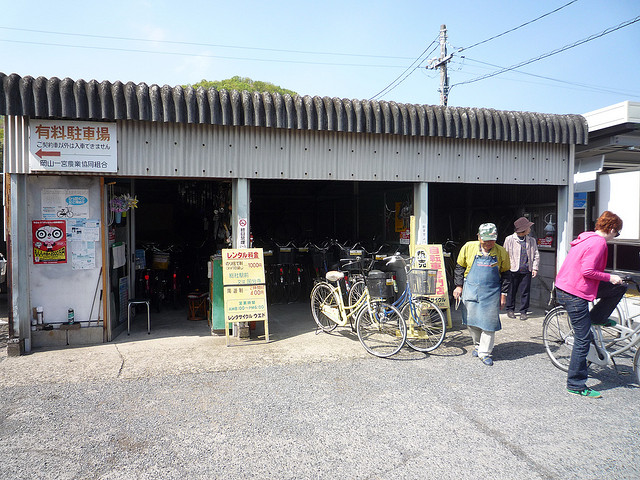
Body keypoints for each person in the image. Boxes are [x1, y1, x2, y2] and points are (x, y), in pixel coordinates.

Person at [555, 210, 626, 399]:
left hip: (567, 286)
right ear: (611, 229)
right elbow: (588, 271)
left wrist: (611, 280)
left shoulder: (586, 238)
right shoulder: (598, 243)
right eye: (617, 233)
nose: (616, 236)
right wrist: (610, 277)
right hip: (574, 292)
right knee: (583, 339)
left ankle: (598, 317)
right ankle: (575, 384)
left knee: (620, 288)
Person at [453, 223, 511, 366]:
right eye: (485, 240)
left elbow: (506, 274)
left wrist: (504, 294)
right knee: (471, 321)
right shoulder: (468, 247)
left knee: (489, 323)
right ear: (478, 237)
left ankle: (485, 353)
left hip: (491, 292)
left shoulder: (501, 252)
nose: (488, 244)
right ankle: (478, 346)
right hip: (471, 288)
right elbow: (460, 267)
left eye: (492, 240)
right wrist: (458, 286)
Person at [503, 216, 540, 321]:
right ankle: (510, 309)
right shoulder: (509, 239)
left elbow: (536, 254)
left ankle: (523, 311)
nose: (530, 229)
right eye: (528, 227)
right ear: (523, 230)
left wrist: (535, 268)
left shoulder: (531, 240)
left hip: (526, 269)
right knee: (511, 290)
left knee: (525, 291)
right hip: (512, 269)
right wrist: (505, 269)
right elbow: (505, 254)